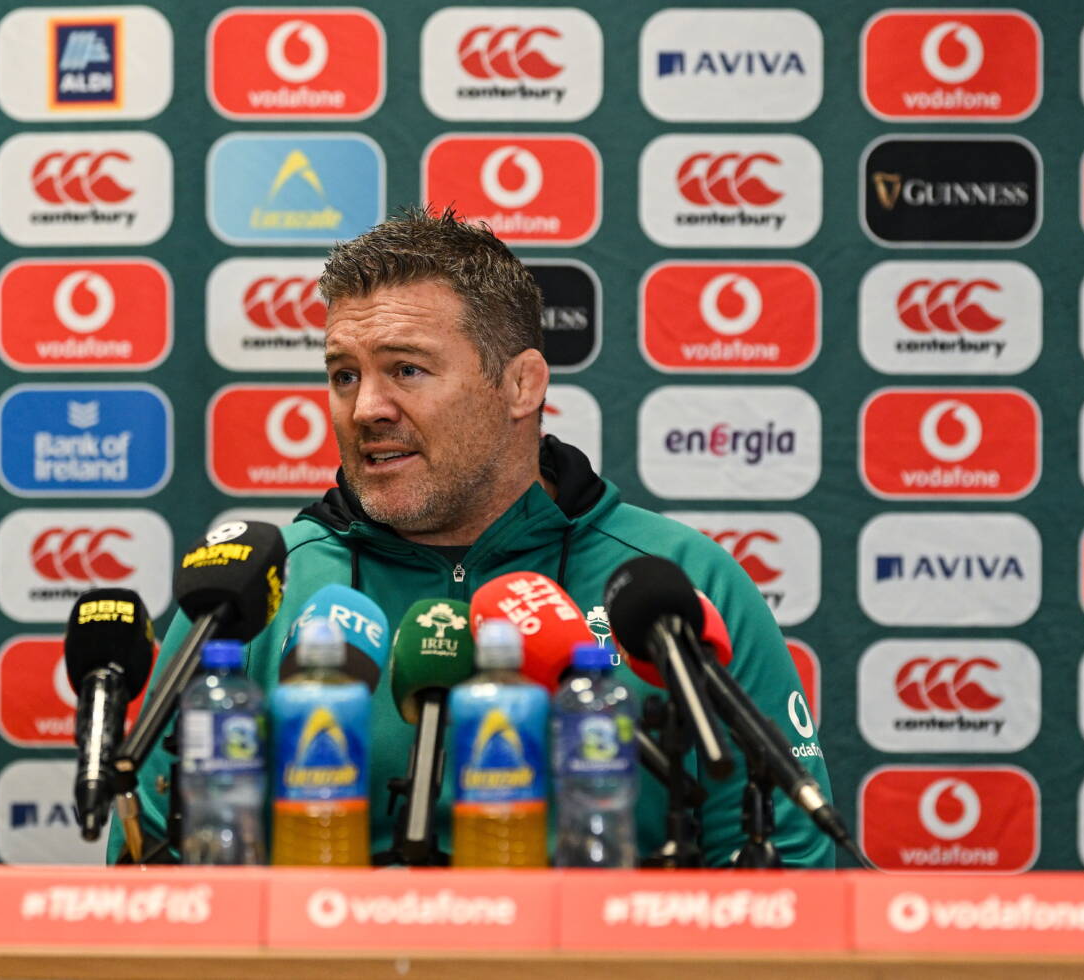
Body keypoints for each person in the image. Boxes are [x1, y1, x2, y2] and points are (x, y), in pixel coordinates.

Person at [110, 207, 832, 867]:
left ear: (522, 386)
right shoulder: (252, 594)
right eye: (343, 375)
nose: (365, 409)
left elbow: (788, 866)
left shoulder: (674, 579)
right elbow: (146, 871)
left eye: (407, 370)